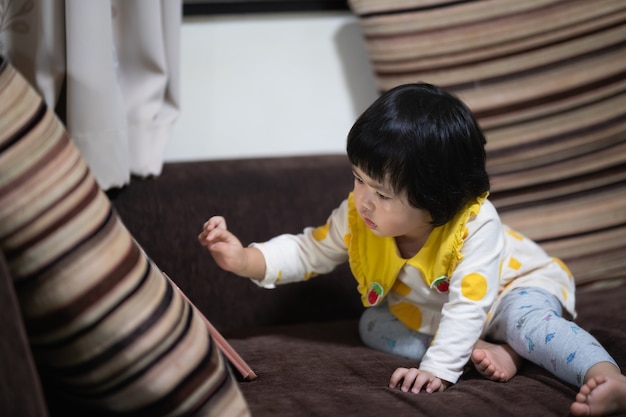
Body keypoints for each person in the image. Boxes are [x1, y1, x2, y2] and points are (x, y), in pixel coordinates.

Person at [198, 83, 626, 416]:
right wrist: (244, 259)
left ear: (437, 201)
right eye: (357, 178)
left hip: (514, 288)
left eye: (382, 194)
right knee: (372, 325)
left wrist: (437, 369)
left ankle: (605, 377)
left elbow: (470, 303)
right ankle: (490, 351)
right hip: (441, 311)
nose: (363, 200)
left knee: (526, 322)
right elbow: (308, 251)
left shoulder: (475, 224)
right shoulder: (357, 216)